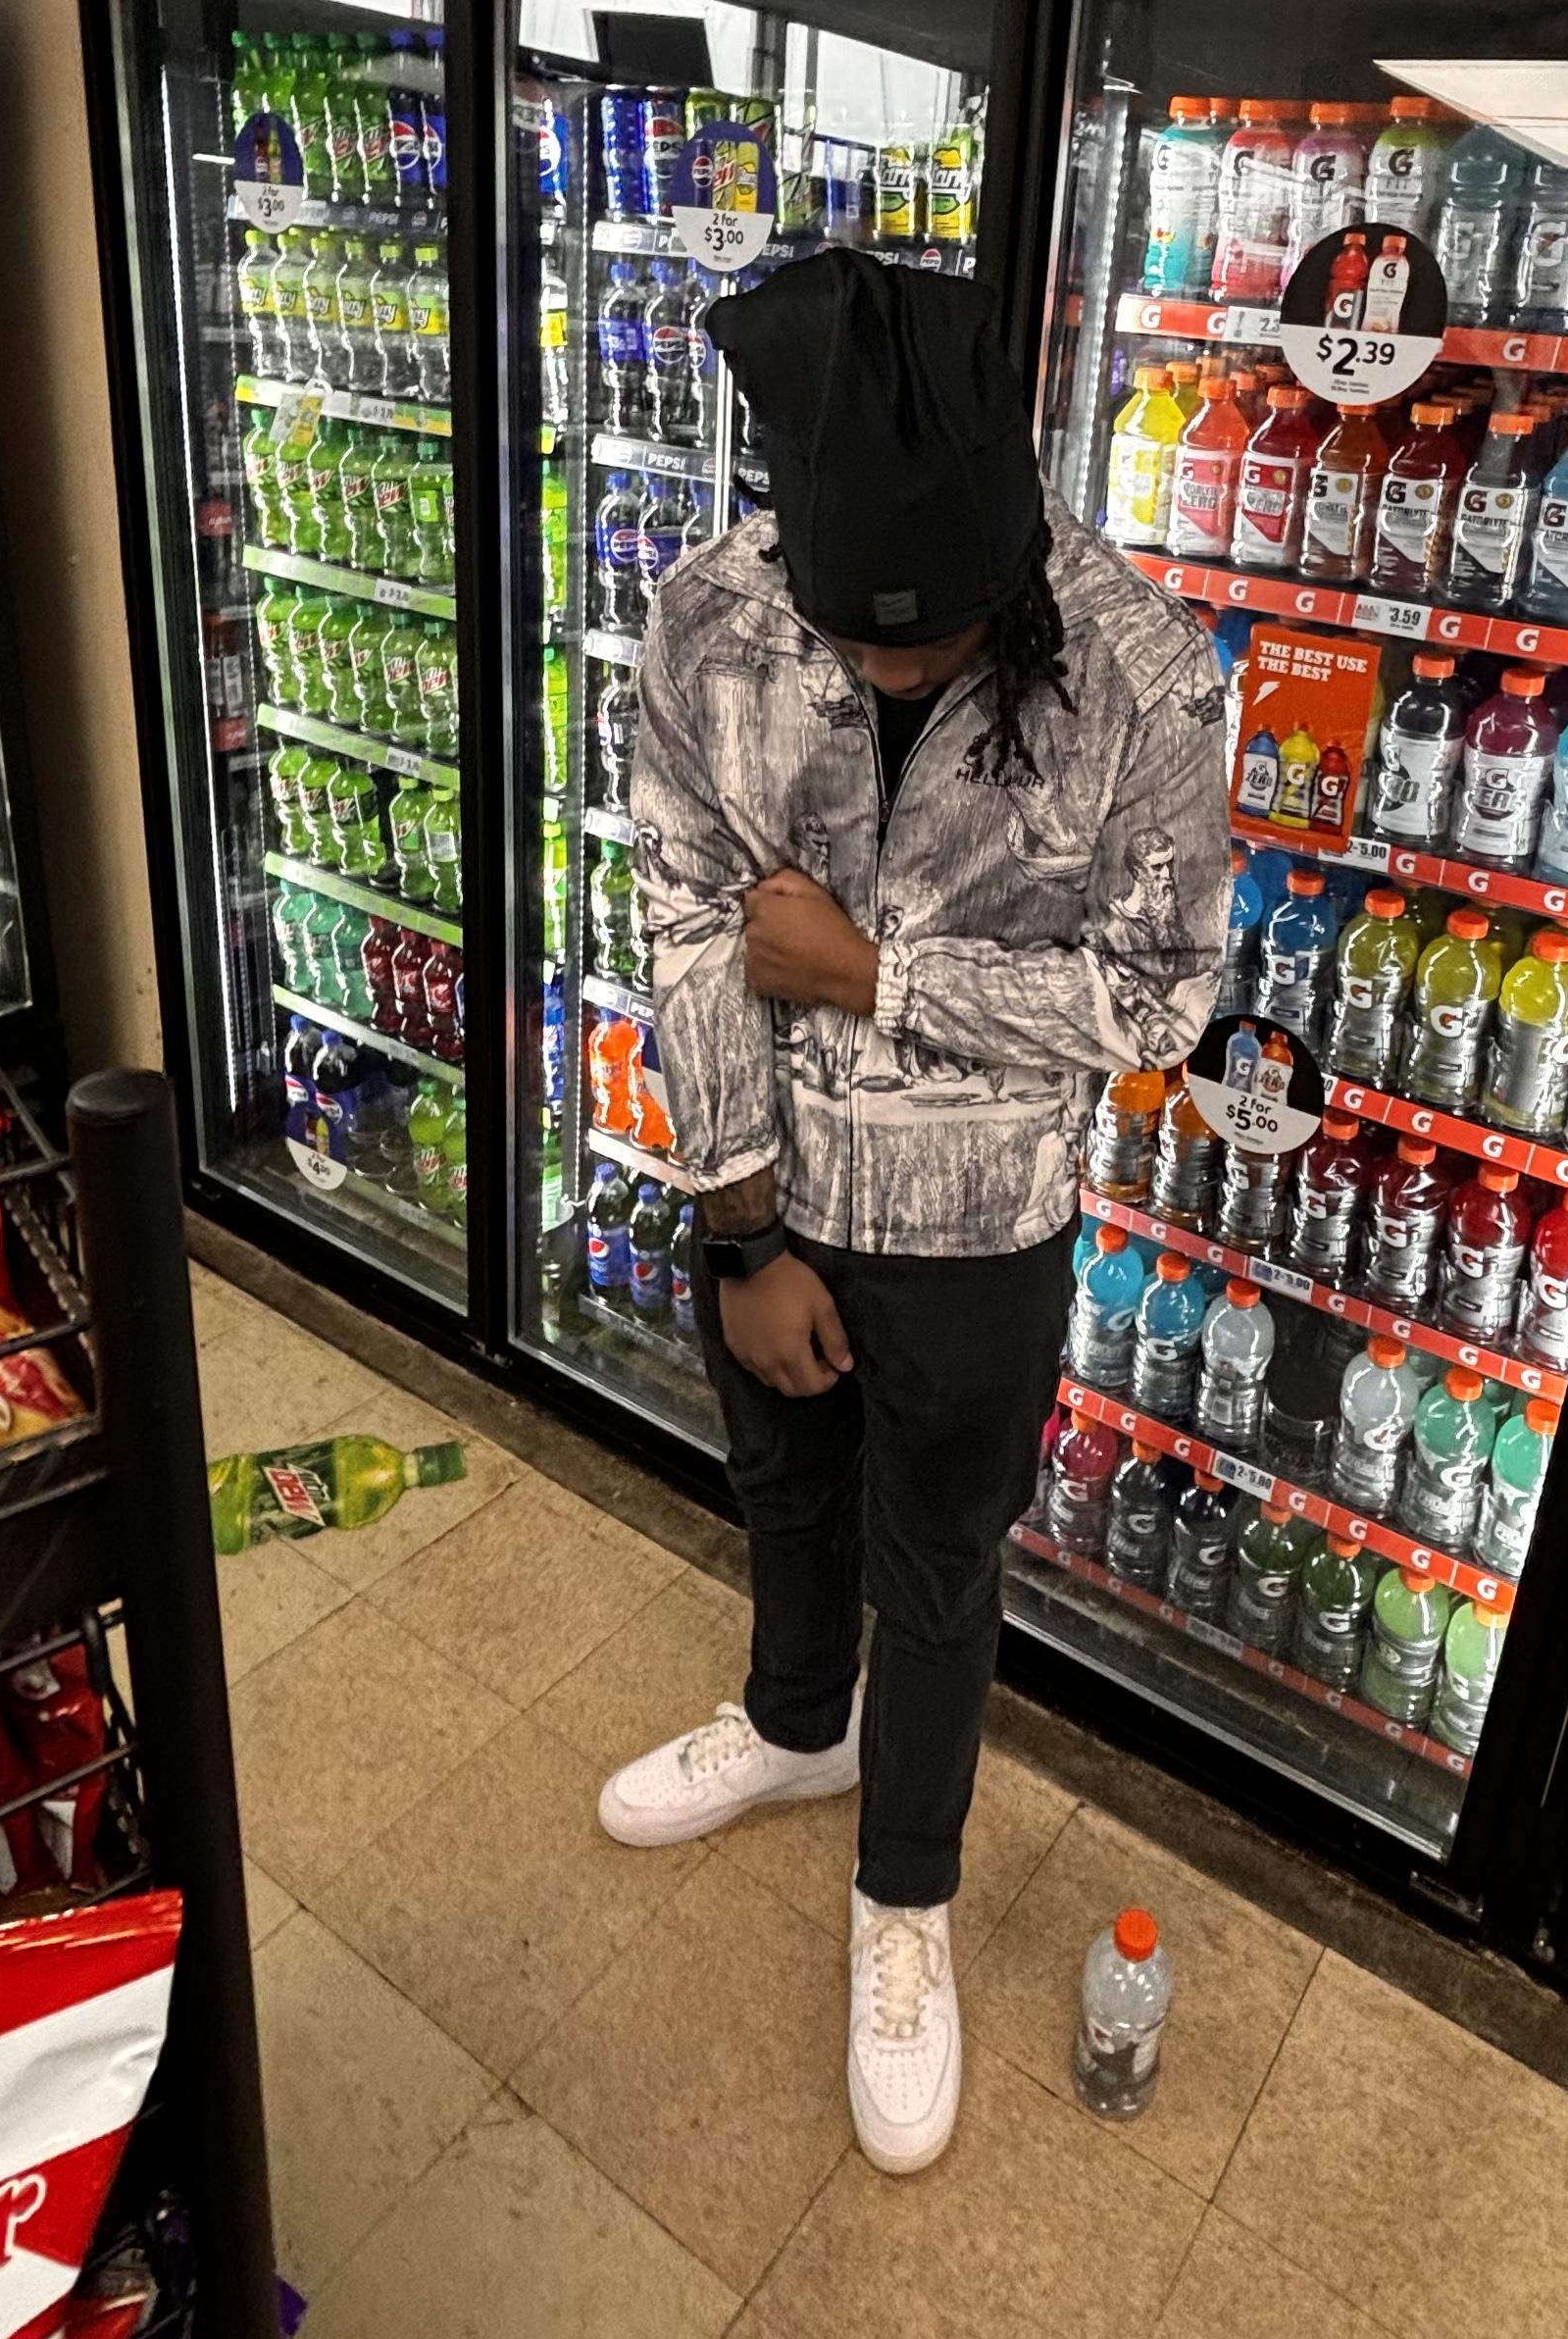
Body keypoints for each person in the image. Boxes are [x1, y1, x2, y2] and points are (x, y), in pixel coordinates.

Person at [599, 248, 1227, 2171]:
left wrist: (882, 975)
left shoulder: (1140, 671)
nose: (890, 674)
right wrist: (741, 1228)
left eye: (937, 639)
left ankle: (907, 1892)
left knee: (942, 1568)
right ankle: (799, 1727)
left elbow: (1161, 999)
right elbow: (681, 919)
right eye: (856, 637)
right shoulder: (709, 625)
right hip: (768, 1183)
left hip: (982, 1230)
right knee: (784, 1493)